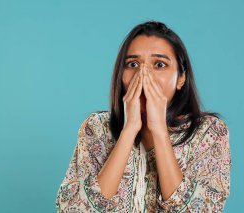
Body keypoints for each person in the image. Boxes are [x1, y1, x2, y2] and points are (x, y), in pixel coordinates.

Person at [55, 20, 231, 212]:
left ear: (181, 78)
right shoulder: (96, 129)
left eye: (159, 64)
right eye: (133, 64)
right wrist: (129, 130)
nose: (144, 75)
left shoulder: (209, 133)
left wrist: (159, 130)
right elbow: (74, 209)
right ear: (121, 75)